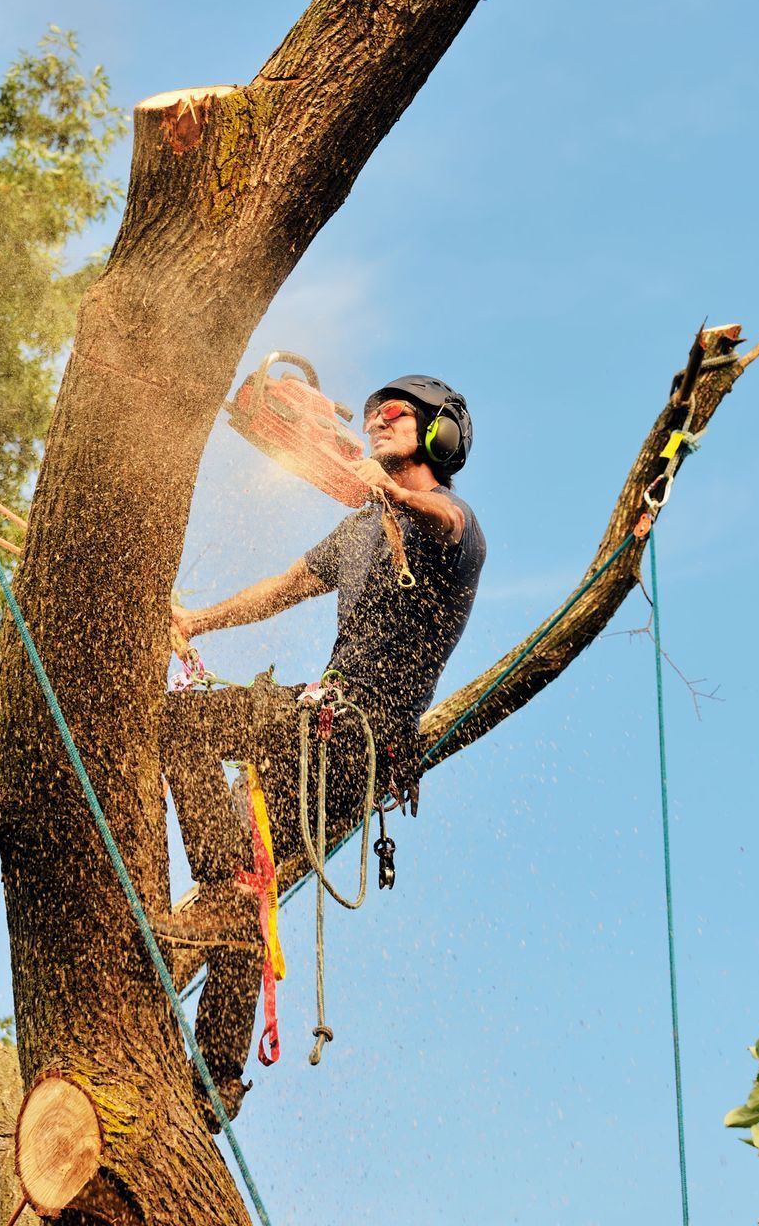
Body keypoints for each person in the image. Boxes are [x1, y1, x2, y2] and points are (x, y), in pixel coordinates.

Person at [160, 374, 486, 1128]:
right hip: (307, 733)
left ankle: (223, 885)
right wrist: (196, 620)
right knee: (242, 881)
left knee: (183, 726)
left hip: (354, 743)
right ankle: (216, 1074)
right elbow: (281, 588)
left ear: (440, 435)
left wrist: (393, 492)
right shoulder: (357, 530)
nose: (377, 423)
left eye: (395, 416)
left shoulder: (449, 525)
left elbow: (444, 517)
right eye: (370, 416)